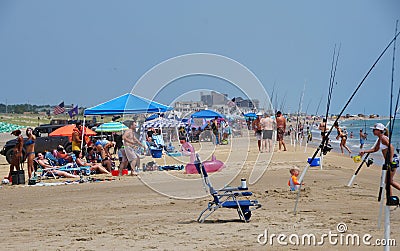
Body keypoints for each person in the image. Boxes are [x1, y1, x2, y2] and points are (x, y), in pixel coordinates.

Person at [360, 123, 400, 196]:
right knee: (388, 181)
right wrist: (364, 151)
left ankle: (390, 198)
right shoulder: (380, 139)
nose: (373, 131)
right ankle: (390, 198)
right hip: (389, 160)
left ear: (379, 130)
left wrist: (390, 161)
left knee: (389, 181)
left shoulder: (383, 138)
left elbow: (391, 147)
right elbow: (375, 149)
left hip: (393, 160)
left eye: (374, 129)